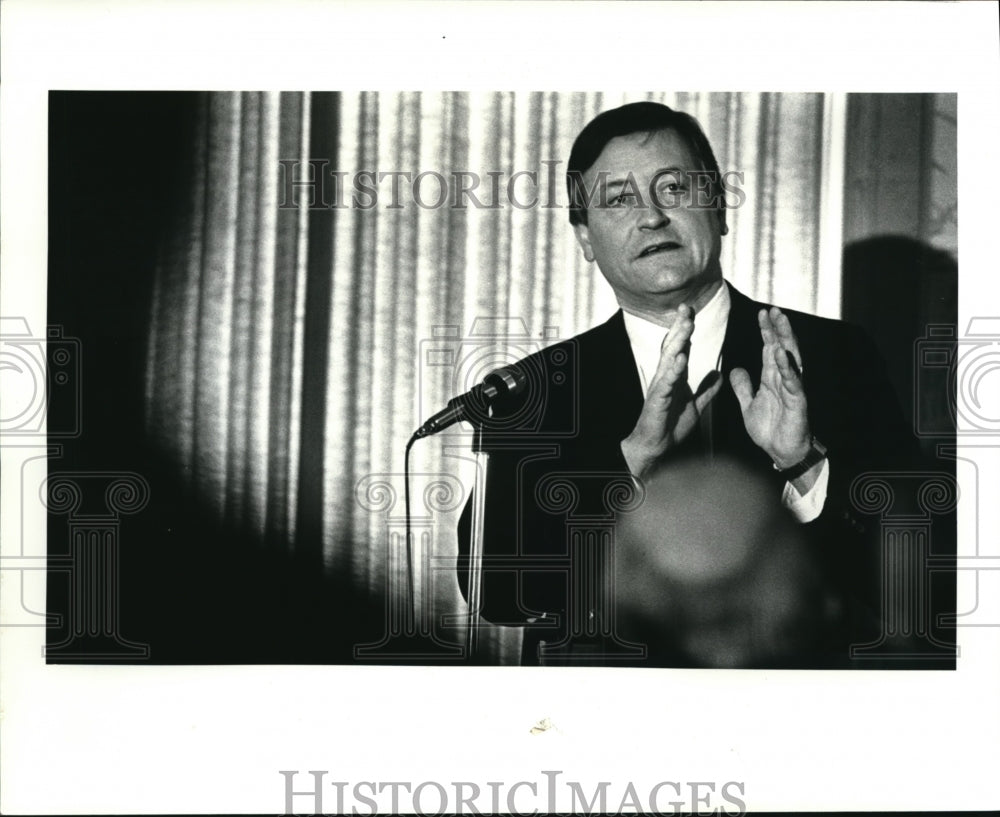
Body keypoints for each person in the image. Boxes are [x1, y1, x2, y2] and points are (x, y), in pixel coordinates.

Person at [456, 101, 919, 667]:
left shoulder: (835, 354)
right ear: (583, 237)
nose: (651, 216)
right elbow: (495, 591)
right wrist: (629, 462)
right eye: (620, 199)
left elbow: (912, 566)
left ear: (718, 206)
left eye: (673, 188)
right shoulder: (532, 390)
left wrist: (804, 464)